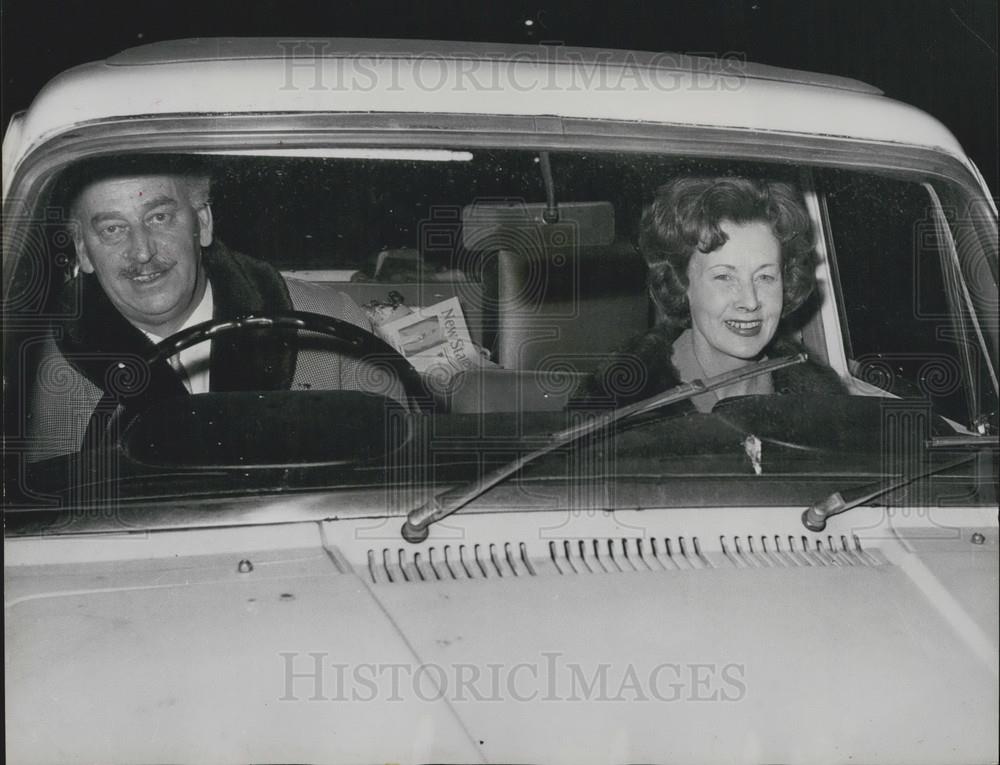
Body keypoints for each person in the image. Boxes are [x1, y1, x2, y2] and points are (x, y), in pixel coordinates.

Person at [27, 157, 405, 460]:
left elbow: (401, 481)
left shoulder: (329, 325)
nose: (142, 252)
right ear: (82, 250)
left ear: (203, 223)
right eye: (112, 229)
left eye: (159, 217)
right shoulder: (42, 372)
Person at [571, 176, 846, 410]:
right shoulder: (615, 405)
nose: (749, 301)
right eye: (724, 276)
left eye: (765, 277)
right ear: (682, 282)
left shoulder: (822, 404)